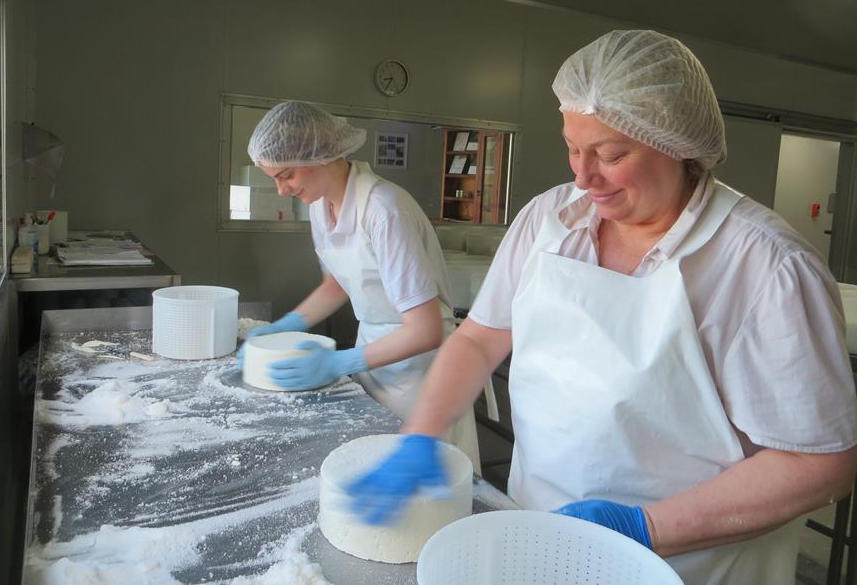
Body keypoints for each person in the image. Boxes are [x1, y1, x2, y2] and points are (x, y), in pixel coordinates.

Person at [345, 30, 857, 584]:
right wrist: (422, 432)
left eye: (611, 155)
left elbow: (822, 464)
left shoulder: (766, 268)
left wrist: (643, 528)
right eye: (573, 147)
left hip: (687, 562)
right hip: (540, 534)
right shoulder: (547, 221)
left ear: (679, 144)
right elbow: (477, 338)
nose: (582, 176)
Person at [242, 101, 481, 472]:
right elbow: (336, 286)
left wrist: (340, 362)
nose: (281, 190)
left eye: (286, 175)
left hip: (420, 374)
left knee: (428, 495)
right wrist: (280, 329)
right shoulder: (321, 207)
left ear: (318, 155)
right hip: (376, 355)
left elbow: (425, 330)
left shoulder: (384, 209)